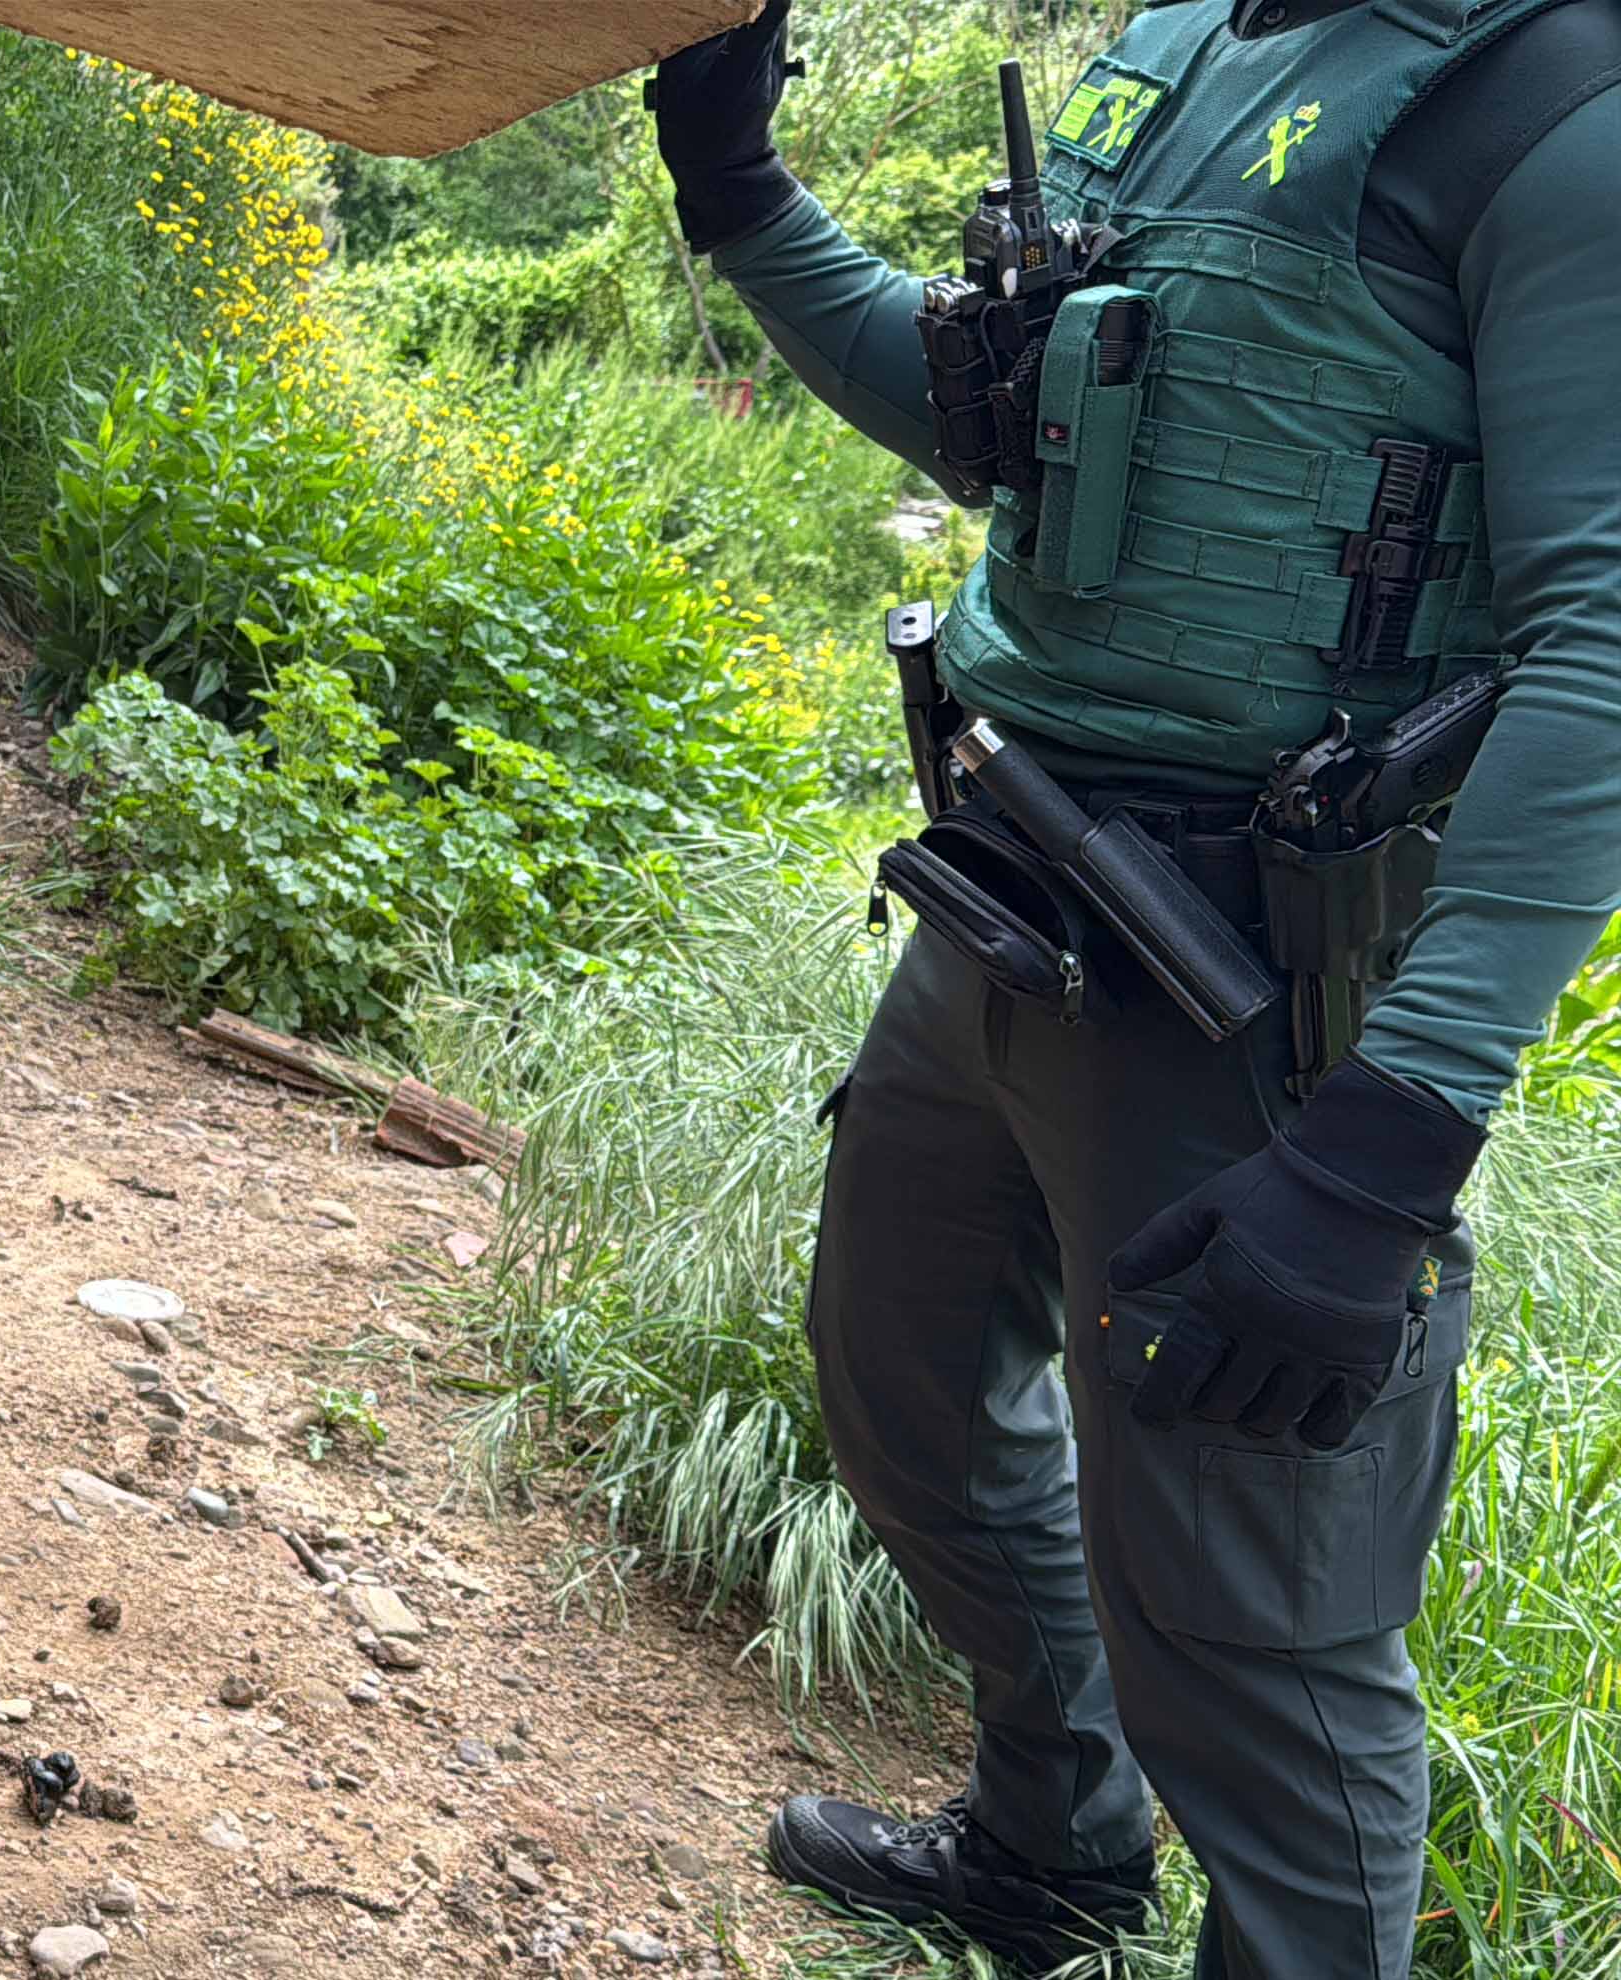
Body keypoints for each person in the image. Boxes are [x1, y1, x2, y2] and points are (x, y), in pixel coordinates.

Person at [647, 1, 1621, 1974]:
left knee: (1257, 1647)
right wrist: (738, 189)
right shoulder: (1183, 41)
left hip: (1252, 1005)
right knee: (902, 1386)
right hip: (1008, 891)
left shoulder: (1550, 103)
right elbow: (993, 418)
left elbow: (1601, 634)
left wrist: (1388, 1139)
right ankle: (1048, 1846)